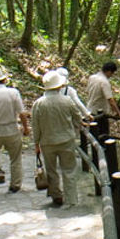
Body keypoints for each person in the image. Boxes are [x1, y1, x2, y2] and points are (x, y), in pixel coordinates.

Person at [31, 70, 83, 207]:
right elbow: (77, 117)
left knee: (51, 170)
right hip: (66, 140)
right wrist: (79, 126)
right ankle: (71, 198)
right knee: (69, 170)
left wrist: (36, 143)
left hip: (47, 142)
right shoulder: (67, 101)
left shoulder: (38, 104)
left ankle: (56, 195)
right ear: (59, 86)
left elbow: (35, 126)